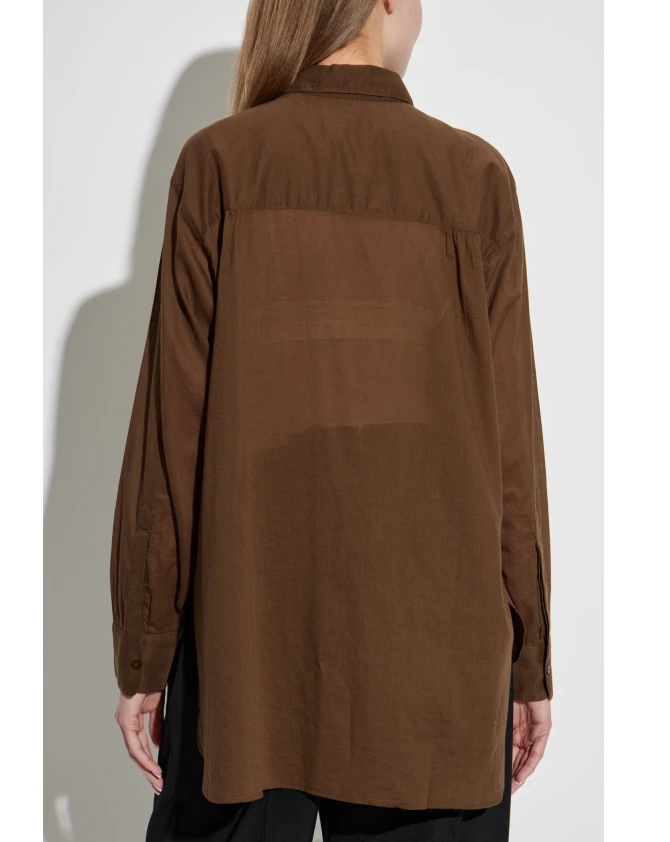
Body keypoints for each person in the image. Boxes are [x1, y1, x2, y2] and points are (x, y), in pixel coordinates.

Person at [109, 1, 554, 839]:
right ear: (383, 2)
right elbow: (511, 457)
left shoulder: (220, 164)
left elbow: (171, 441)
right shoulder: (473, 177)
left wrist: (146, 649)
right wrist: (527, 662)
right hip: (436, 668)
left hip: (246, 658)